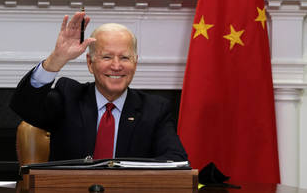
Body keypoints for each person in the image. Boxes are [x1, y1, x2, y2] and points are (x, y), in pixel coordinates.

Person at [10, 12, 187, 162]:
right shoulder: (68, 96)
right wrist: (55, 60)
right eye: (107, 57)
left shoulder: (155, 109)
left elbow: (176, 160)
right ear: (90, 63)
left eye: (125, 57)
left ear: (135, 62)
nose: (116, 66)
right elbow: (23, 106)